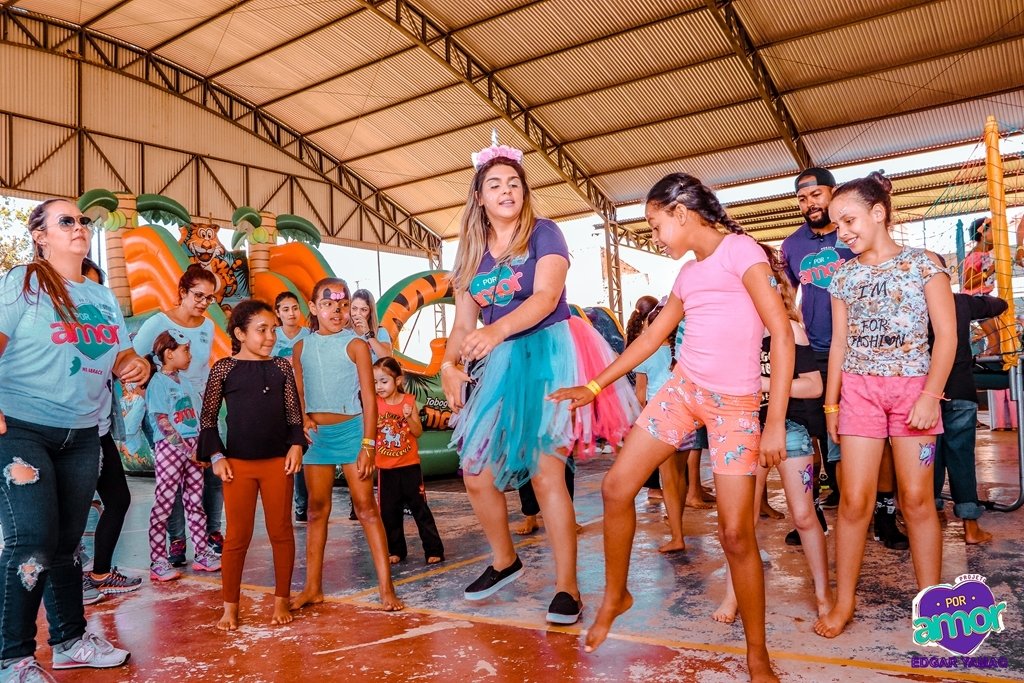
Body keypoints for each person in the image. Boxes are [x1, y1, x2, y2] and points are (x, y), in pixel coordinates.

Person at [550, 172, 793, 683]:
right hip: (683, 392)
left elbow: (782, 334)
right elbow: (651, 338)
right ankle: (616, 594)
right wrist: (594, 386)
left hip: (735, 408)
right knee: (616, 487)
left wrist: (774, 423)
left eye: (656, 225)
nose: (656, 237)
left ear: (681, 212)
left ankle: (757, 654)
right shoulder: (687, 274)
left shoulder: (741, 252)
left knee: (735, 534)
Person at [440, 139, 638, 626]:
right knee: (475, 472)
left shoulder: (544, 233)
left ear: (524, 192)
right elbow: (463, 324)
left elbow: (547, 296)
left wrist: (496, 331)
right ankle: (504, 559)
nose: (506, 191)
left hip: (550, 352)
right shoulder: (471, 255)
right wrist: (448, 364)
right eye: (494, 185)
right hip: (501, 363)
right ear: (479, 197)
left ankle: (568, 587)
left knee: (546, 472)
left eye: (513, 183)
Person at [0, 198, 149, 677]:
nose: (79, 226)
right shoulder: (24, 282)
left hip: (83, 433)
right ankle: (13, 657)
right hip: (22, 427)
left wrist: (136, 365)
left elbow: (120, 356)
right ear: (40, 236)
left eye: (83, 221)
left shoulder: (101, 296)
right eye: (66, 221)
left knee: (66, 546)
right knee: (32, 541)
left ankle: (69, 641)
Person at [814, 172, 955, 639]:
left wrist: (931, 396)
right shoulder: (843, 275)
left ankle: (932, 607)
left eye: (849, 220)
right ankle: (844, 602)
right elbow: (838, 344)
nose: (842, 232)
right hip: (859, 393)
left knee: (917, 501)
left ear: (878, 213)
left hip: (914, 393)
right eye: (837, 224)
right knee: (854, 501)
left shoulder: (923, 265)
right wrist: (832, 406)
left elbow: (947, 336)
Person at [782, 168, 909, 553]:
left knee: (874, 438)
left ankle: (884, 514)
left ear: (833, 193)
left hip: (864, 352)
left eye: (816, 195)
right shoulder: (792, 245)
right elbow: (787, 295)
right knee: (812, 432)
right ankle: (814, 511)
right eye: (802, 199)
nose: (809, 204)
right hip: (816, 352)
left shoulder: (853, 234)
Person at [290, 278, 402, 612]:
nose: (336, 312)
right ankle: (313, 587)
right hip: (317, 439)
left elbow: (369, 397)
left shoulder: (356, 345)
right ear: (313, 308)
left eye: (342, 305)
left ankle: (386, 588)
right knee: (316, 510)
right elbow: (298, 393)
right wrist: (303, 419)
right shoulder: (300, 348)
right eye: (327, 304)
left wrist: (368, 445)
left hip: (353, 433)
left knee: (366, 508)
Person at [200, 299, 305, 630]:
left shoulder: (282, 368)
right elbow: (208, 419)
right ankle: (230, 606)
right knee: (236, 537)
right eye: (262, 330)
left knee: (281, 532)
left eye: (273, 329)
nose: (270, 336)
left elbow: (294, 415)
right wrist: (217, 456)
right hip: (237, 467)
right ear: (240, 334)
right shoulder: (223, 369)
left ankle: (282, 599)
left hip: (278, 464)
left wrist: (296, 446)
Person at [132, 264, 223, 564]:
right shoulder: (157, 323)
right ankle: (176, 541)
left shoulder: (207, 326)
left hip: (197, 413)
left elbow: (202, 369)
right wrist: (150, 395)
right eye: (198, 295)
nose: (204, 302)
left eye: (209, 297)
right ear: (183, 292)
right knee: (171, 481)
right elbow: (132, 361)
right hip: (166, 414)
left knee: (208, 474)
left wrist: (208, 408)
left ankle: (210, 535)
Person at [79, 259, 142, 599]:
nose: (90, 293)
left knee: (118, 499)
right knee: (67, 511)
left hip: (98, 427)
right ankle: (71, 579)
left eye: (95, 286)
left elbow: (123, 357)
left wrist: (138, 365)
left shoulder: (105, 318)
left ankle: (100, 572)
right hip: (63, 429)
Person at [145, 331, 222, 582]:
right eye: (185, 350)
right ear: (169, 354)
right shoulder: (157, 383)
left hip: (193, 445)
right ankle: (158, 560)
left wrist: (200, 448)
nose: (190, 356)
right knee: (164, 503)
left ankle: (202, 553)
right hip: (170, 448)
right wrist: (187, 451)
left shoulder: (186, 382)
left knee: (195, 501)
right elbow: (162, 421)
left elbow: (198, 416)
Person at [931, 293, 1005, 545]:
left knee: (929, 456)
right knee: (961, 456)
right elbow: (1000, 305)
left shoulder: (914, 303)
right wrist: (978, 299)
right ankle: (970, 525)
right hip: (961, 388)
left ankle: (932, 514)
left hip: (926, 393)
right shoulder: (960, 301)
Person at [632, 301, 695, 554]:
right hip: (687, 417)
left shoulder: (646, 353)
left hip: (662, 419)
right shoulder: (683, 351)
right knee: (680, 476)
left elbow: (640, 394)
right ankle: (676, 519)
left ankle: (677, 535)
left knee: (669, 480)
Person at [373, 357, 444, 565]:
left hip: (410, 466)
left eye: (384, 381)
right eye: (375, 382)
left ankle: (434, 549)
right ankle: (395, 550)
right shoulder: (374, 404)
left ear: (397, 381)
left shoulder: (409, 401)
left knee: (420, 509)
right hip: (386, 469)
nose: (379, 386)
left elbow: (418, 432)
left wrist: (408, 417)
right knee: (389, 513)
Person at [271, 292, 310, 524]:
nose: (291, 313)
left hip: (305, 400)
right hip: (278, 402)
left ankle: (303, 506)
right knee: (282, 453)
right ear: (278, 313)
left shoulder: (309, 336)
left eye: (295, 308)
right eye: (285, 309)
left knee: (303, 450)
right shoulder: (271, 336)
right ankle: (281, 506)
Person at [626, 296, 663, 500]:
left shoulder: (637, 337)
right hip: (651, 403)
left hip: (646, 401)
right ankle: (655, 488)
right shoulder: (649, 343)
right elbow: (641, 389)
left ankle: (658, 487)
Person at [960, 216, 1001, 356]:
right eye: (994, 231)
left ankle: (987, 358)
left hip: (983, 299)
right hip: (976, 300)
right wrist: (989, 271)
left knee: (997, 339)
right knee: (995, 341)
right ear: (983, 233)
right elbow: (968, 283)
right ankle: (981, 361)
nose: (998, 234)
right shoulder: (975, 255)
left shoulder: (986, 253)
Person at [351, 289, 393, 361]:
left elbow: (387, 359)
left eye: (364, 310)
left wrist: (368, 333)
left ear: (370, 312)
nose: (358, 313)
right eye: (354, 308)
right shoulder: (343, 331)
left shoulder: (380, 331)